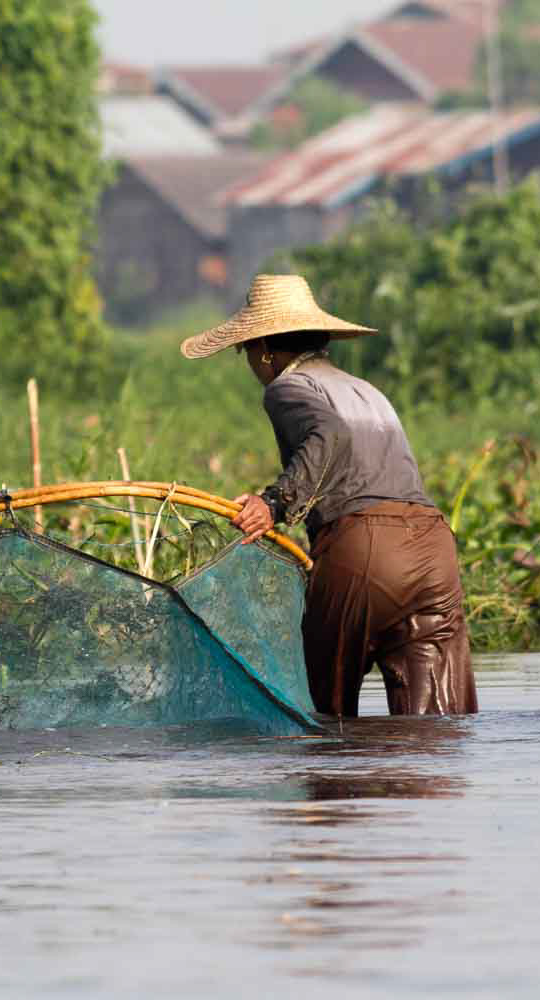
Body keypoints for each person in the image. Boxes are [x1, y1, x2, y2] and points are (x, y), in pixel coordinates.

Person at [181, 274, 477, 718]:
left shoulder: (287, 387)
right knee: (434, 733)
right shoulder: (367, 390)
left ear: (263, 349)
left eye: (245, 352)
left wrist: (274, 502)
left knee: (326, 720)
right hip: (433, 552)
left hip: (368, 551)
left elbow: (329, 433)